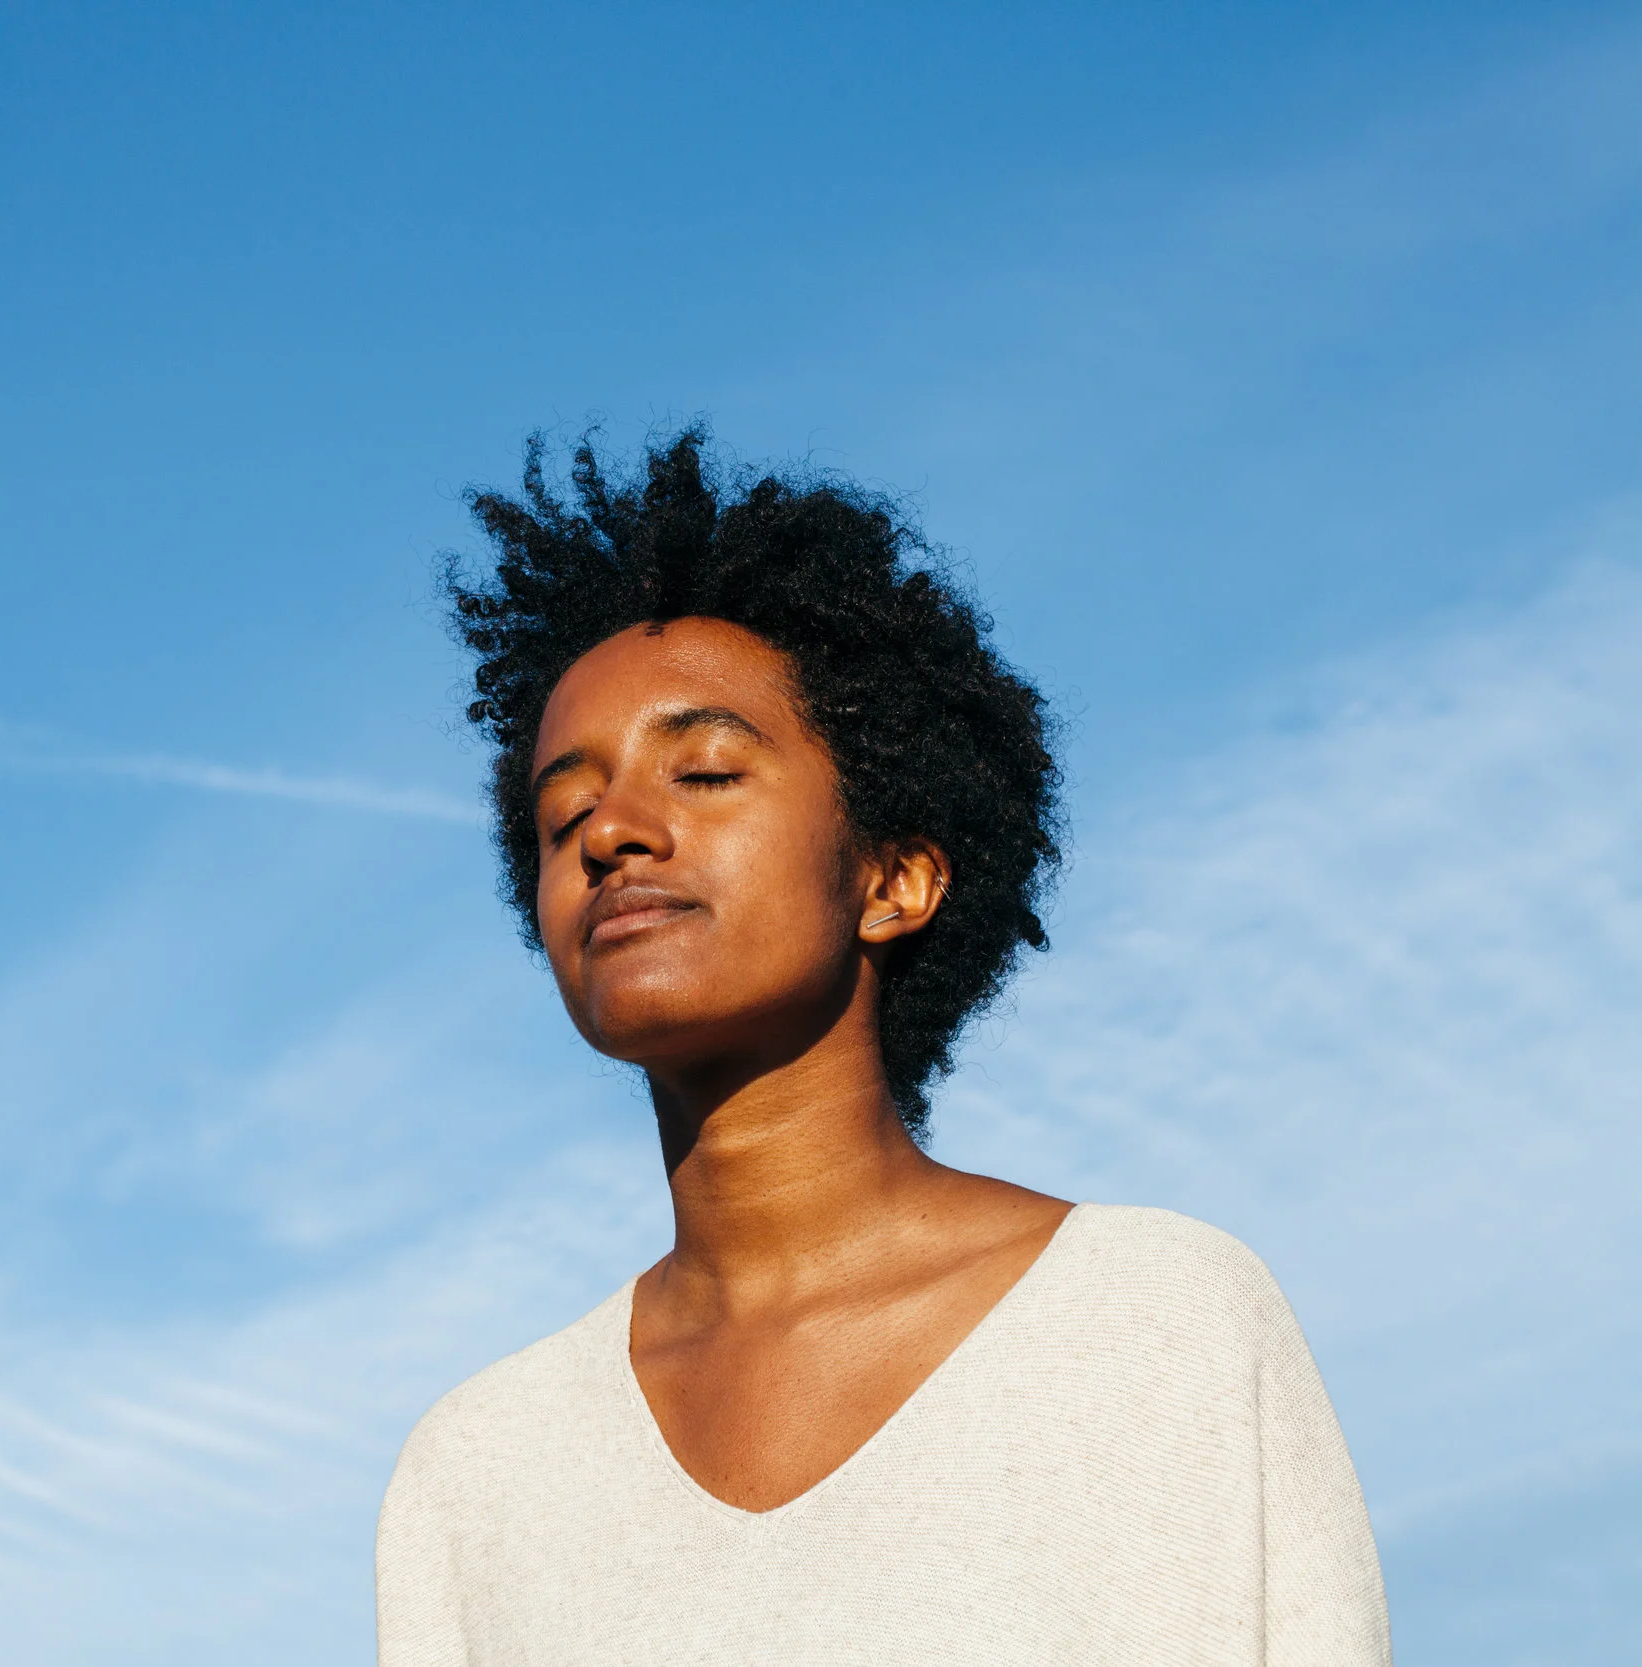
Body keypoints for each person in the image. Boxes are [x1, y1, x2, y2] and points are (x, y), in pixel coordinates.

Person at [376, 431, 1389, 1665]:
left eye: (701, 771)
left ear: (895, 878)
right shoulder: (479, 1465)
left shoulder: (1155, 1319)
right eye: (562, 811)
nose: (613, 833)